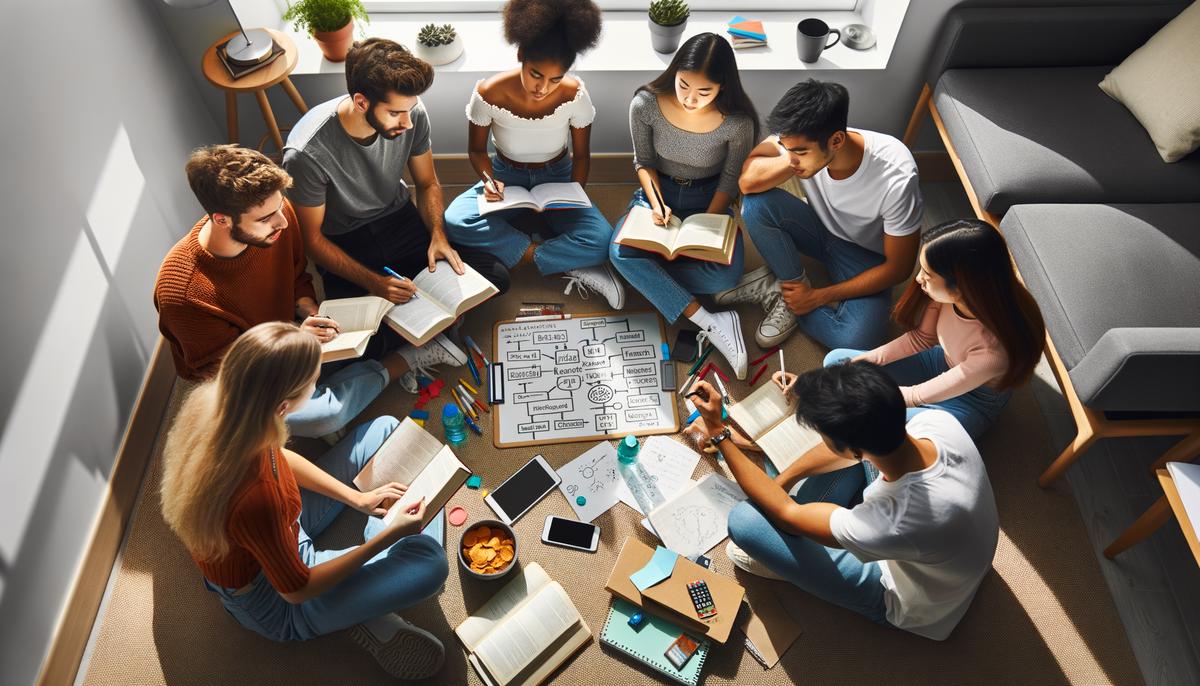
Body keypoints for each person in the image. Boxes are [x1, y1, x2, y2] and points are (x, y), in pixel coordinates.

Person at [160, 322, 448, 679]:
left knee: (387, 430)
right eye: (314, 383)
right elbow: (298, 589)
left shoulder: (223, 401)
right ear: (283, 407)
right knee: (430, 565)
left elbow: (277, 458)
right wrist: (387, 537)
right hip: (277, 599)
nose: (317, 387)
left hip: (281, 533)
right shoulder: (258, 498)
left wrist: (357, 499)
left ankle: (362, 596)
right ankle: (366, 600)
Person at [689, 360, 999, 641]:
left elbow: (787, 512)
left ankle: (792, 559)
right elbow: (848, 453)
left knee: (745, 522)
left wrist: (719, 432)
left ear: (850, 447)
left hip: (914, 604)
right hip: (953, 553)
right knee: (781, 499)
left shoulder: (889, 521)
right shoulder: (936, 423)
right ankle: (800, 535)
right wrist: (781, 482)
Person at [153, 145, 445, 440]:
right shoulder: (183, 292)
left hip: (290, 332)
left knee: (366, 330)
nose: (281, 220)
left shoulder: (280, 219)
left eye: (280, 206)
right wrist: (297, 342)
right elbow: (228, 371)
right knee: (324, 418)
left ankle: (333, 382)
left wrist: (311, 310)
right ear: (222, 219)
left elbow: (295, 275)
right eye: (266, 218)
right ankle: (402, 362)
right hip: (249, 374)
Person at [283, 38, 507, 364]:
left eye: (410, 110)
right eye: (395, 113)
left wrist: (438, 236)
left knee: (496, 277)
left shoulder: (411, 111)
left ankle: (425, 331)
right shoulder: (305, 154)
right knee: (347, 349)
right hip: (345, 240)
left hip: (399, 217)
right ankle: (424, 341)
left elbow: (427, 182)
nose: (408, 123)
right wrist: (376, 284)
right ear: (361, 103)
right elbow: (313, 240)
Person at [442, 0, 625, 309]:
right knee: (456, 220)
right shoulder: (489, 92)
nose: (543, 88)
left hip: (558, 174)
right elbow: (476, 150)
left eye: (555, 79)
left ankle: (534, 251)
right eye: (536, 74)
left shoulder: (575, 94)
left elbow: (582, 157)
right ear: (520, 56)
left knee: (604, 239)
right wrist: (488, 181)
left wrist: (573, 192)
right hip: (505, 174)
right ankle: (557, 259)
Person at [721, 79, 923, 351]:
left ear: (837, 140)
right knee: (756, 204)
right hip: (818, 228)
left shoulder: (895, 176)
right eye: (786, 146)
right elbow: (747, 182)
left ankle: (786, 294)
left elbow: (899, 268)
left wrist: (818, 297)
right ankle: (790, 286)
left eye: (800, 152)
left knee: (856, 340)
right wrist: (792, 158)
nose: (791, 156)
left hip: (864, 256)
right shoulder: (798, 139)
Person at [608, 33, 758, 378]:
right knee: (619, 253)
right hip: (659, 192)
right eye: (683, 85)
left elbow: (731, 178)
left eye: (703, 92)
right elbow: (643, 162)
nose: (690, 99)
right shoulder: (645, 104)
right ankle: (709, 320)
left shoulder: (737, 122)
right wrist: (657, 205)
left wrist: (706, 224)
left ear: (722, 87)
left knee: (728, 272)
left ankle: (649, 279)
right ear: (673, 73)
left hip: (710, 199)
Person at [824, 219, 1045, 441]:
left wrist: (860, 399)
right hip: (941, 362)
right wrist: (866, 360)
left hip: (974, 401)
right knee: (837, 362)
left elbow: (914, 396)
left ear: (961, 287)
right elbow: (920, 340)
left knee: (886, 426)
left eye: (927, 275)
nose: (919, 278)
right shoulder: (948, 298)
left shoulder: (993, 352)